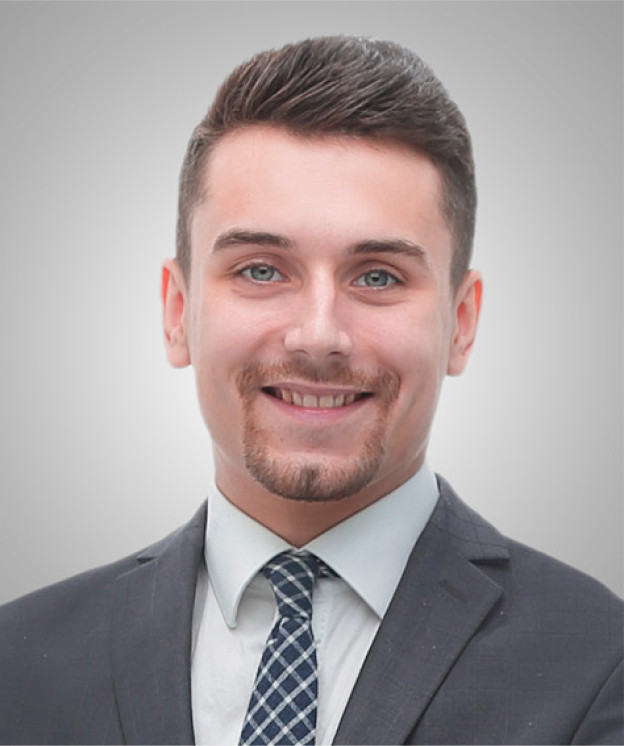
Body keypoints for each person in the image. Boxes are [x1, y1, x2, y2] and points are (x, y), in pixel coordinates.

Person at [0, 35, 621, 746]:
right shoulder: (17, 665)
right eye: (261, 270)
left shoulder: (600, 663)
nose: (318, 336)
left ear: (461, 323)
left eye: (378, 276)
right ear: (177, 312)